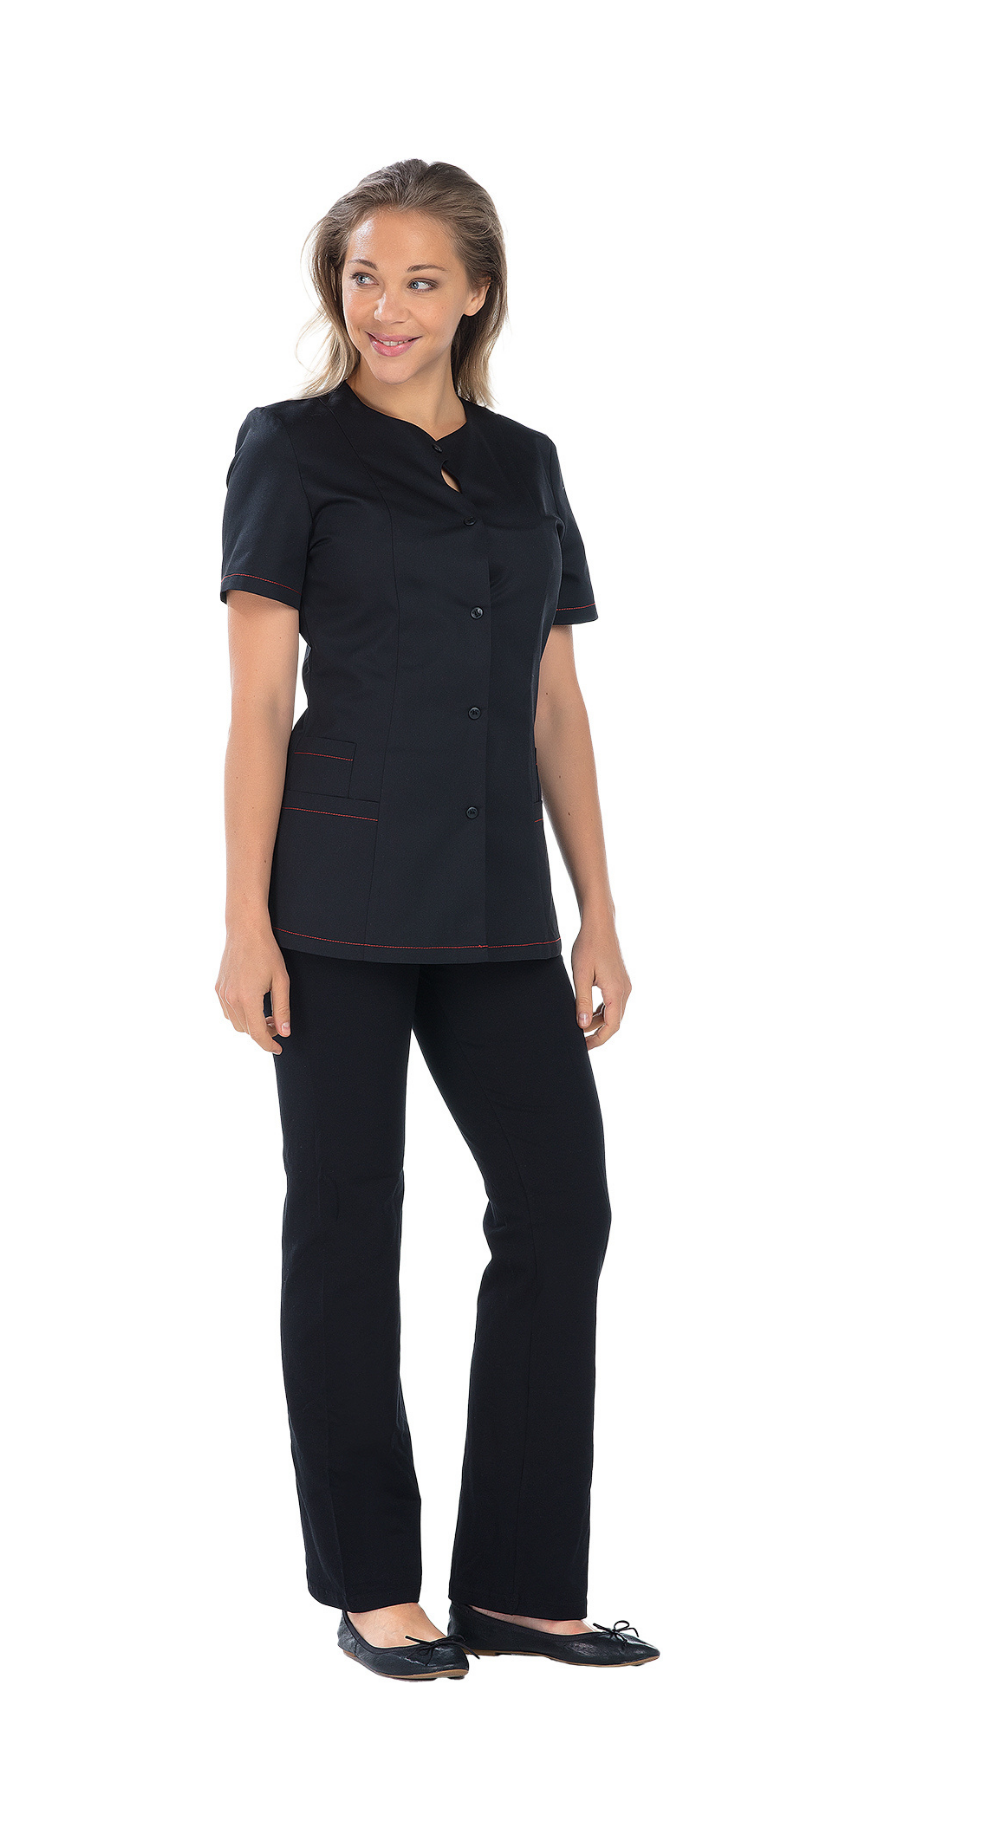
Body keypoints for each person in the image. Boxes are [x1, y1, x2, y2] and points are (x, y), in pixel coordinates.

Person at [214, 160, 658, 1682]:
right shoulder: (290, 450)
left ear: (476, 293)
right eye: (361, 277)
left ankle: (522, 1588)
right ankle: (372, 1585)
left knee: (560, 1210)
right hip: (334, 906)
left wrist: (598, 910)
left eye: (418, 280)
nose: (384, 308)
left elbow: (555, 702)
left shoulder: (528, 464)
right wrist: (244, 921)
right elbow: (257, 706)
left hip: (498, 912)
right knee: (347, 1226)